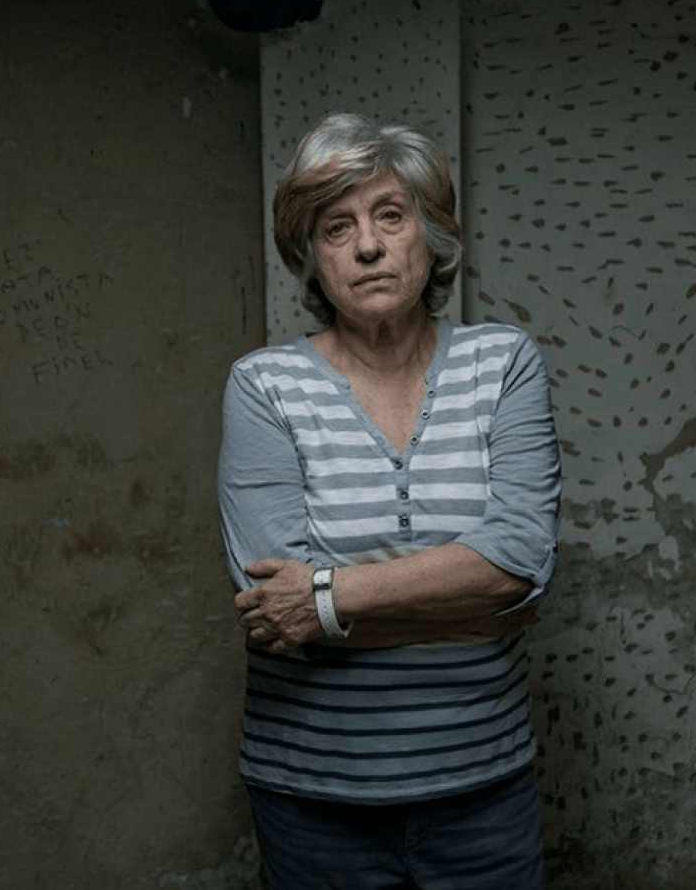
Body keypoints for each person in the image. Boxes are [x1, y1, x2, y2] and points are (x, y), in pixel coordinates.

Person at [217, 112, 561, 889]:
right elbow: (275, 611)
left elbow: (520, 558)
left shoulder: (503, 364)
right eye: (336, 228)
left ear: (430, 235)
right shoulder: (264, 385)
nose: (367, 246)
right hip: (311, 796)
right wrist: (475, 611)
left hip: (485, 789)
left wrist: (330, 597)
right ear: (310, 257)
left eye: (390, 216)